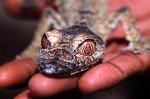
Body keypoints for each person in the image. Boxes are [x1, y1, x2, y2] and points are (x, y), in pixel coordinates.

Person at [0, 0, 150, 98]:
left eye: (87, 48)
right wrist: (35, 46)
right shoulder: (63, 25)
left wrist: (134, 39)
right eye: (47, 43)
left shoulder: (103, 29)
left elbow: (123, 11)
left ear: (99, 44)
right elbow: (49, 13)